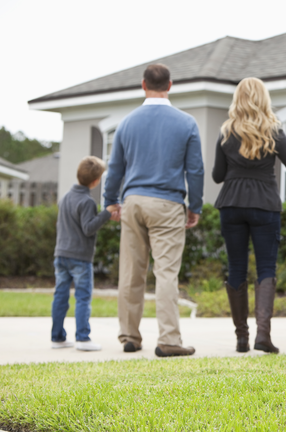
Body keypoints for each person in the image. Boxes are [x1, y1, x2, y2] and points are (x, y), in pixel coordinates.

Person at [212, 77, 286, 354]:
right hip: (265, 205)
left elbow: (218, 176)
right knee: (266, 269)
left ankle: (241, 338)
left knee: (236, 268)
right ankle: (262, 336)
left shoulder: (226, 132)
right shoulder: (273, 132)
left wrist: (236, 168)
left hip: (231, 204)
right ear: (264, 99)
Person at [104, 63, 204, 358]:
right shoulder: (186, 123)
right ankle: (169, 339)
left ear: (143, 84)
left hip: (133, 202)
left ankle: (130, 337)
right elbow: (195, 170)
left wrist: (110, 200)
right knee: (166, 273)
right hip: (167, 203)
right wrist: (194, 206)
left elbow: (114, 169)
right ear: (170, 85)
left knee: (131, 273)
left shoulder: (126, 122)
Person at [52, 156, 119, 351]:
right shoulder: (87, 202)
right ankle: (82, 338)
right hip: (79, 257)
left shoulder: (65, 198)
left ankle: (57, 337)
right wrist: (106, 213)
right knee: (82, 297)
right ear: (96, 181)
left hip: (60, 254)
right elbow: (88, 228)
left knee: (60, 296)